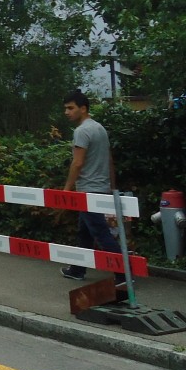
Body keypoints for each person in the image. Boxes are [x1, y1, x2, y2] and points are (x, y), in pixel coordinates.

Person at [59, 90, 125, 285]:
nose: (67, 112)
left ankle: (123, 275)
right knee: (85, 231)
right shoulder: (100, 129)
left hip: (88, 190)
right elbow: (109, 160)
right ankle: (78, 270)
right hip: (101, 188)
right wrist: (112, 187)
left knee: (101, 233)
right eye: (65, 108)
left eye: (70, 108)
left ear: (83, 108)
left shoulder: (81, 131)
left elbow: (77, 163)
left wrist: (66, 190)